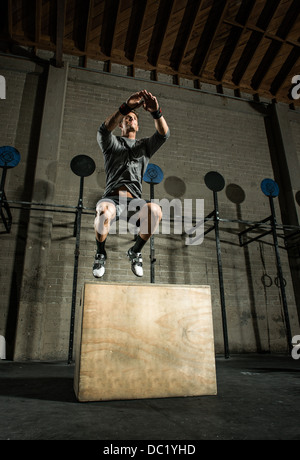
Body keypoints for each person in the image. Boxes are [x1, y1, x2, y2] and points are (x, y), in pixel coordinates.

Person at [93, 90, 170, 278]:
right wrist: (126, 107)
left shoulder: (144, 146)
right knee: (103, 212)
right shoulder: (111, 144)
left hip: (134, 202)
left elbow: (163, 135)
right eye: (127, 118)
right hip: (112, 199)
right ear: (121, 124)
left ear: (138, 124)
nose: (130, 120)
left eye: (133, 118)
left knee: (155, 211)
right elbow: (103, 130)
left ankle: (135, 252)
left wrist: (156, 111)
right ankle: (100, 253)